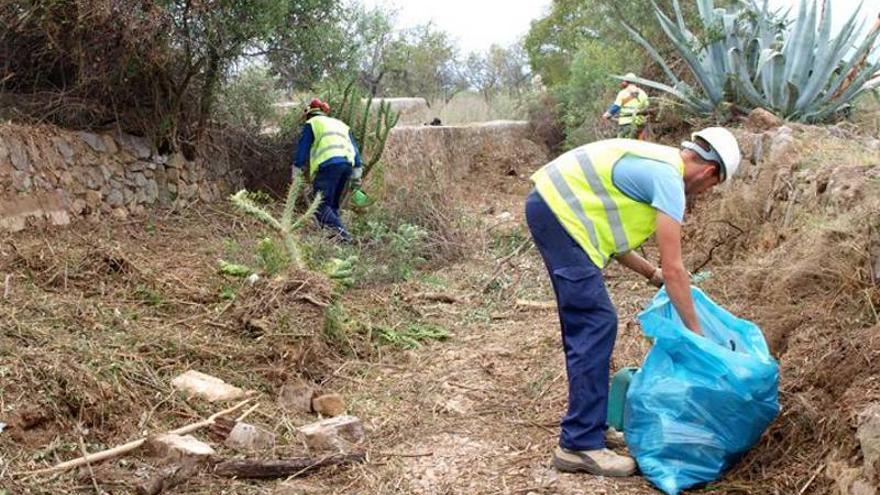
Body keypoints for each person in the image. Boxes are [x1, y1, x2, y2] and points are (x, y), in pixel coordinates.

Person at [524, 128, 742, 477]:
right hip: (558, 217)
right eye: (711, 187)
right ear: (710, 172)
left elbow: (613, 233)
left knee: (591, 322)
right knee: (595, 322)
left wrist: (648, 273)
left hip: (553, 211)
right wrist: (697, 334)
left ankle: (589, 426)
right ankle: (579, 444)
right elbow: (676, 268)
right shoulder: (668, 179)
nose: (704, 192)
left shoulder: (655, 163)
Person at [294, 98, 363, 242]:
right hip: (346, 165)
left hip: (328, 165)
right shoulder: (341, 124)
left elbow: (303, 149)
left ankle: (344, 237)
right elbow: (355, 149)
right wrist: (357, 174)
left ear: (309, 114)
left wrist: (296, 170)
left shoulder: (311, 123)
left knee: (319, 206)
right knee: (331, 206)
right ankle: (335, 241)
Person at [602, 73, 650, 140]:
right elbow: (646, 107)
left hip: (626, 125)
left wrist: (606, 114)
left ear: (626, 82)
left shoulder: (623, 93)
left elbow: (616, 107)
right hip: (640, 125)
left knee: (623, 145)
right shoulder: (643, 93)